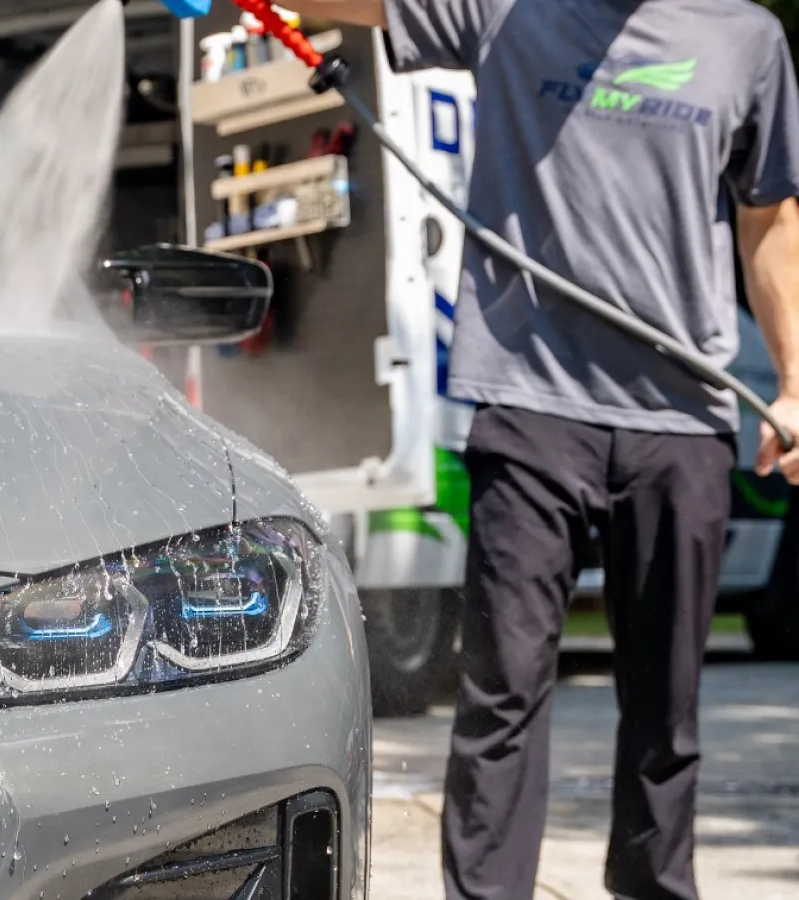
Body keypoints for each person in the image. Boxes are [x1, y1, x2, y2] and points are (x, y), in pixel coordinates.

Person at [260, 0, 799, 898]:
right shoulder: (508, 8)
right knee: (502, 695)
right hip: (530, 405)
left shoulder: (747, 37)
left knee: (668, 708)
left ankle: (655, 888)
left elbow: (770, 221)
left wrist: (793, 379)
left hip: (682, 420)